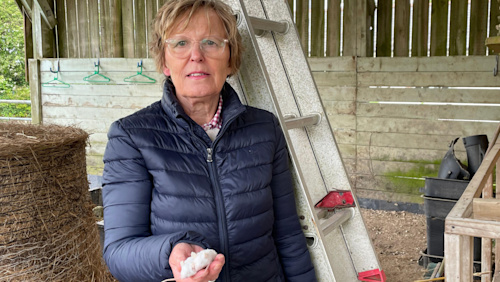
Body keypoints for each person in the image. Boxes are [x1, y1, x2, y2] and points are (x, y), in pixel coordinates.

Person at [102, 0, 317, 281]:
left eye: (211, 42)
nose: (196, 55)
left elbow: (287, 232)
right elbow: (119, 253)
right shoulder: (131, 137)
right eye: (180, 43)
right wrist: (171, 252)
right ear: (165, 61)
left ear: (230, 58)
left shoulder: (265, 129)